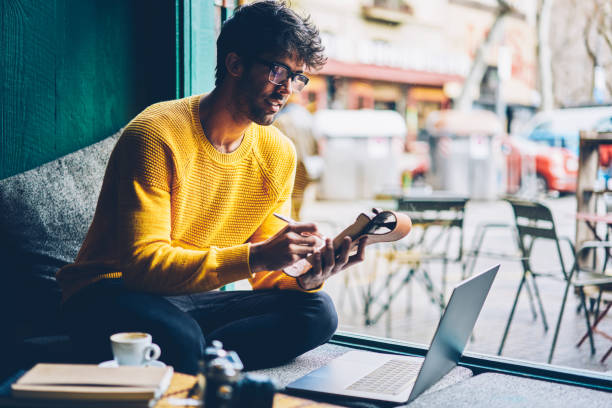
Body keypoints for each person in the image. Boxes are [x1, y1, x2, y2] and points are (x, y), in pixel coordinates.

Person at [56, 0, 367, 375]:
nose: (287, 89)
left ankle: (195, 360)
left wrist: (306, 276)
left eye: (297, 77)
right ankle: (200, 357)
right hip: (109, 291)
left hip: (188, 298)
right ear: (235, 64)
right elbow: (144, 267)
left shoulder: (278, 152)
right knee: (181, 338)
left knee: (317, 312)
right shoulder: (156, 134)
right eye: (277, 70)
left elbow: (268, 274)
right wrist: (256, 256)